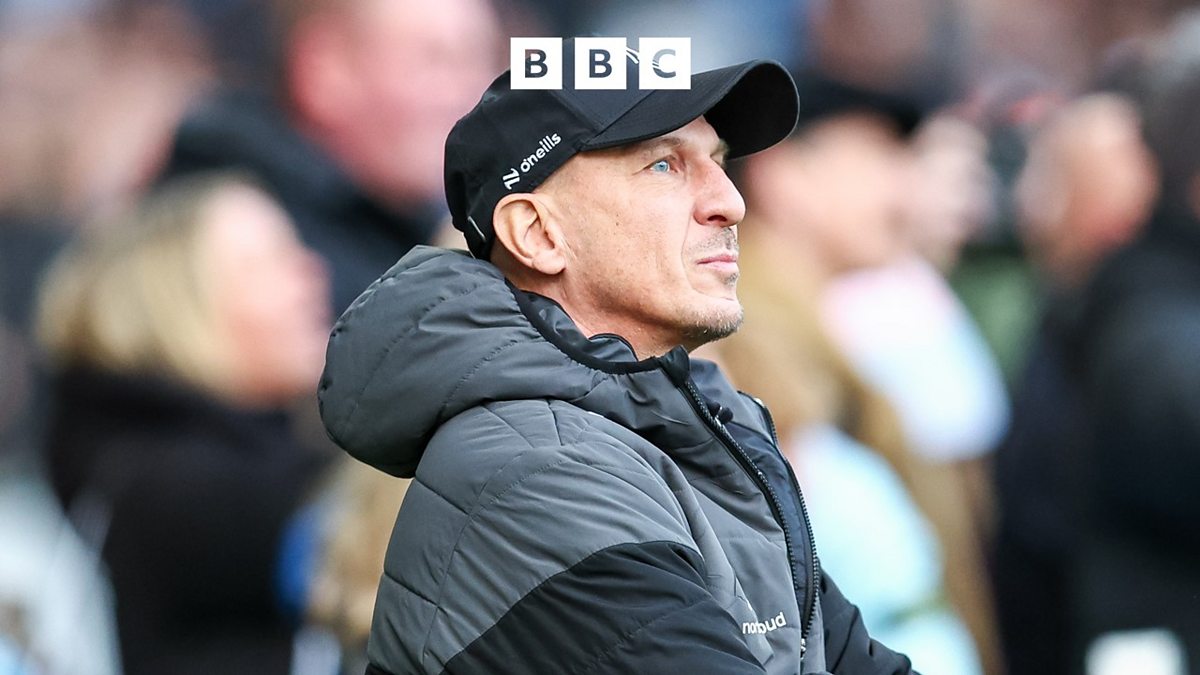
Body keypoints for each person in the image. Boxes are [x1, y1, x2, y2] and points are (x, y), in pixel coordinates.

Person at [319, 40, 915, 674]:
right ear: (537, 234)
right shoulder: (535, 469)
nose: (731, 202)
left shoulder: (692, 438)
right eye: (663, 165)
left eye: (717, 161)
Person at [36, 173, 333, 675]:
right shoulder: (169, 486)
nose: (311, 271)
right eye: (266, 262)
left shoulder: (142, 457)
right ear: (175, 310)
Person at [161, 0, 502, 315]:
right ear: (327, 69)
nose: (472, 95)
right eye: (435, 60)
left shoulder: (415, 222)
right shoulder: (220, 239)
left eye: (481, 60)